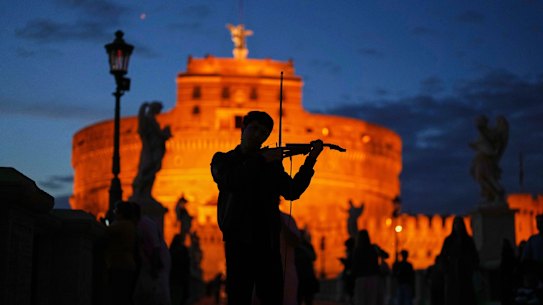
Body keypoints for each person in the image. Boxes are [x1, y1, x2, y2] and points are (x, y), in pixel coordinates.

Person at [210, 110, 323, 305]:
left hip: (267, 243)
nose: (258, 135)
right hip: (238, 240)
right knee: (239, 297)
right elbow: (231, 180)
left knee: (272, 297)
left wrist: (310, 160)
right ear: (243, 128)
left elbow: (292, 191)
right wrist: (261, 160)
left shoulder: (272, 166)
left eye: (264, 133)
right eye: (254, 129)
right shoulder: (224, 160)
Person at [132, 101, 172, 200]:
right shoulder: (149, 119)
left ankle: (145, 192)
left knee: (152, 170)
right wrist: (165, 134)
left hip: (154, 148)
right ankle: (141, 189)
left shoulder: (151, 120)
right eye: (159, 110)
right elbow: (156, 133)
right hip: (151, 149)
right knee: (148, 168)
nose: (159, 112)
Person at [438, 216, 479, 305]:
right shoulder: (448, 240)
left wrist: (471, 268)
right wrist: (447, 270)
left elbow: (474, 256)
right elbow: (442, 257)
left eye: (459, 224)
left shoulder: (468, 240)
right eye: (456, 224)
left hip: (465, 274)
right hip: (452, 275)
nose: (458, 226)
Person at [104, 201, 138, 305]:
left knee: (118, 295)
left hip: (120, 264)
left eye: (115, 211)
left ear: (121, 213)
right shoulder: (130, 225)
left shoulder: (122, 225)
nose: (114, 213)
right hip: (127, 264)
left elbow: (106, 231)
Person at [352, 229, 382, 305]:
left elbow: (355, 266)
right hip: (373, 278)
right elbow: (386, 255)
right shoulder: (373, 248)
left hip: (361, 278)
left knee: (361, 301)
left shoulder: (357, 250)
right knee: (372, 300)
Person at [295, 229, 320, 305]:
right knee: (298, 300)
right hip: (298, 277)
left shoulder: (307, 246)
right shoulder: (294, 247)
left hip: (307, 277)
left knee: (308, 300)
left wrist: (302, 247)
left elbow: (313, 257)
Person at [169, 234, 190, 305]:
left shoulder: (171, 250)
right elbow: (187, 264)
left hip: (173, 278)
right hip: (181, 279)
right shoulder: (183, 250)